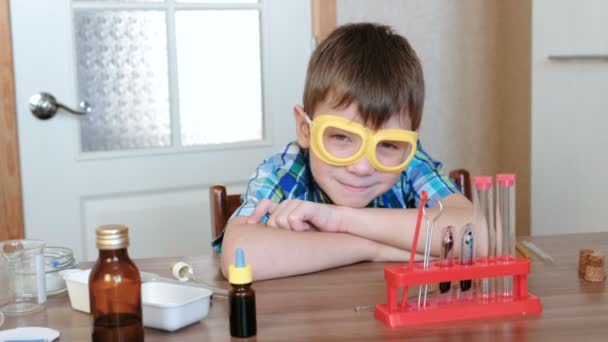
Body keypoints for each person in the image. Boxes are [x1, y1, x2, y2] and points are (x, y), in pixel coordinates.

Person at [215, 22, 473, 280]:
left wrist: (341, 220)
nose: (362, 167)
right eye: (340, 137)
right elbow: (239, 256)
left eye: (387, 144)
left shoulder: (410, 162)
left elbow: (476, 234)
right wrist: (374, 247)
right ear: (305, 129)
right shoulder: (283, 171)